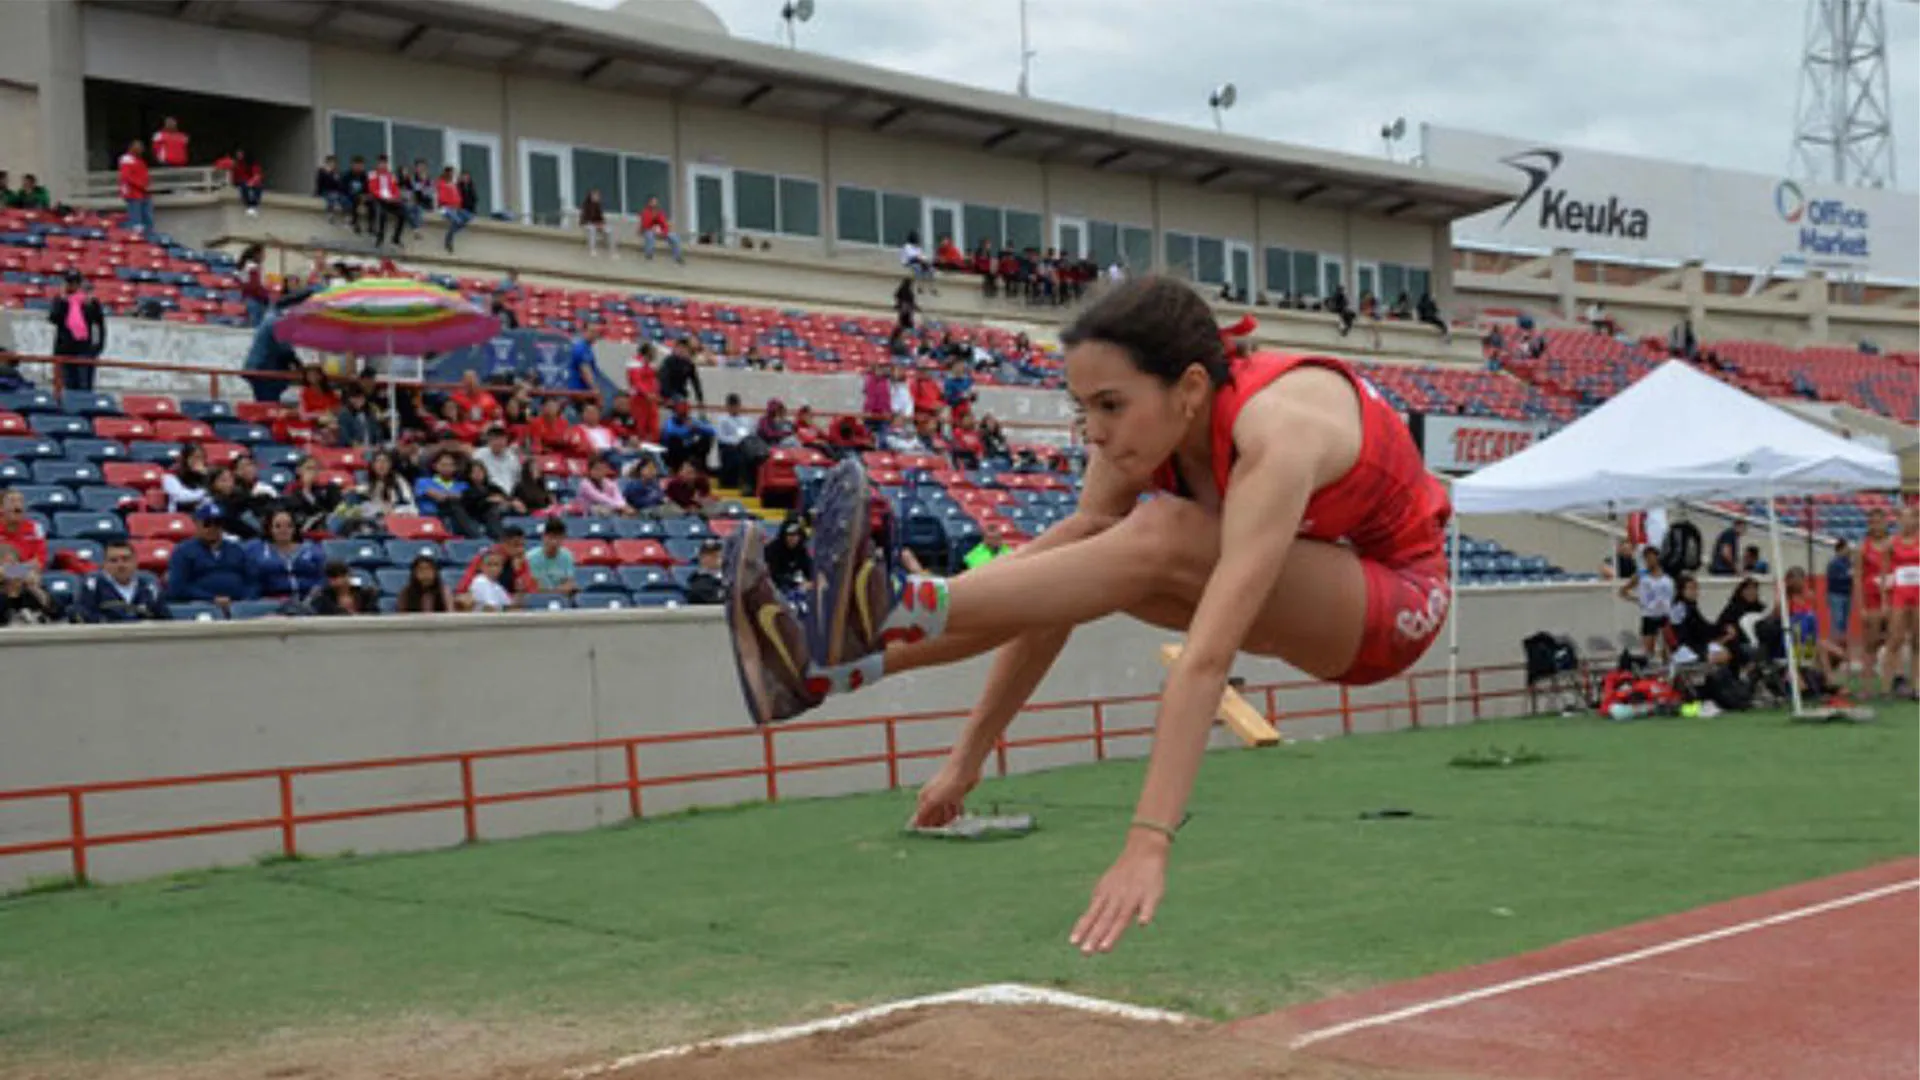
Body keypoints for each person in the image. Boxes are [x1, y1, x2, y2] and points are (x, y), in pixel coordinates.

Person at [722, 277, 1452, 954]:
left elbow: (1205, 659)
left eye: (1109, 406)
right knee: (1077, 551)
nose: (1093, 434)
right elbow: (1052, 600)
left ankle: (896, 605)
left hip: (1394, 605)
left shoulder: (1276, 435)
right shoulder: (1141, 432)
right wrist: (967, 759)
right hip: (1292, 581)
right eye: (1080, 410)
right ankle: (828, 668)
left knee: (1163, 533)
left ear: (1190, 389)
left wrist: (1148, 841)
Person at [1880, 504, 1918, 698]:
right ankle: (1886, 686)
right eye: (1903, 518)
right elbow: (1885, 573)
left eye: (1911, 517)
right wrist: (1884, 602)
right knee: (1895, 639)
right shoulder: (1891, 543)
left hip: (1918, 594)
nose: (1908, 521)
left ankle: (1916, 686)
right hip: (1899, 595)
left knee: (1917, 641)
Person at [1620, 545, 1673, 662]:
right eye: (1647, 558)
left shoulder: (1667, 575)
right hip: (1649, 615)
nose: (1649, 561)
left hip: (1664, 614)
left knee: (1667, 649)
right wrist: (1638, 600)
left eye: (1651, 557)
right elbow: (1623, 591)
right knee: (1649, 651)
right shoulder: (1641, 575)